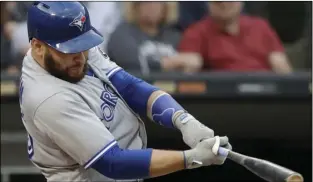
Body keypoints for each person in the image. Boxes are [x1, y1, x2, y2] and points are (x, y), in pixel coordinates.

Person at [19, 2, 232, 182]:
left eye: (83, 46)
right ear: (38, 47)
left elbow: (127, 85)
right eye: (71, 50)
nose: (81, 57)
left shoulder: (69, 43)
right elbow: (112, 162)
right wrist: (191, 158)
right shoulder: (48, 99)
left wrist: (183, 120)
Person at [178, 2, 292, 73]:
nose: (224, 4)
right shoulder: (197, 31)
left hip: (266, 95)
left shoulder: (260, 26)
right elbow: (189, 67)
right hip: (221, 99)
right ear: (208, 4)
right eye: (218, 1)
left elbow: (281, 65)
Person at [107, 2, 202, 75]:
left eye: (158, 1)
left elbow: (193, 61)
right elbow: (134, 64)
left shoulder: (173, 35)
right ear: (135, 6)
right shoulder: (122, 33)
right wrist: (173, 62)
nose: (152, 6)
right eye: (146, 2)